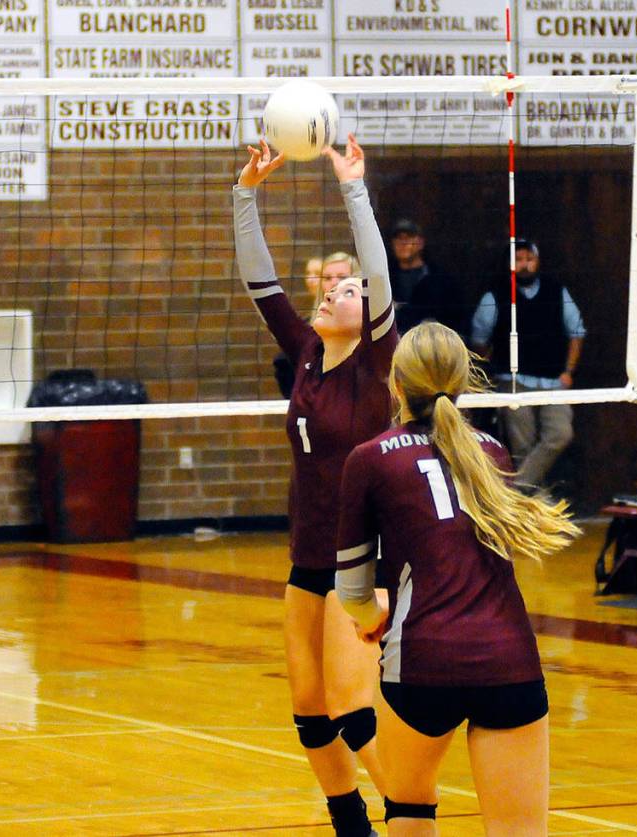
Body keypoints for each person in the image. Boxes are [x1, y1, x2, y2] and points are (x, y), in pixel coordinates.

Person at [335, 322, 581, 836]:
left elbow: (352, 591)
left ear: (395, 385)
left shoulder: (367, 459)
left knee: (410, 808)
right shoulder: (492, 451)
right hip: (508, 661)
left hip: (421, 661)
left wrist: (371, 619)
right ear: (463, 383)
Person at [235, 135, 396, 837]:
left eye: (350, 287)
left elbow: (379, 276)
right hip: (306, 556)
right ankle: (350, 823)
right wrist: (245, 194)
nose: (338, 290)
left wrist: (353, 186)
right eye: (332, 285)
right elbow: (258, 279)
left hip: (361, 558)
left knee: (354, 713)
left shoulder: (377, 358)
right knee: (309, 713)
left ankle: (415, 808)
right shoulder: (304, 351)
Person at [470, 238, 586, 489]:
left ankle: (518, 490)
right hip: (514, 381)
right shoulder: (496, 295)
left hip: (553, 380)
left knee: (560, 434)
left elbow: (577, 331)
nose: (524, 265)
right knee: (522, 445)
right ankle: (536, 502)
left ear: (537, 261)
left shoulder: (556, 290)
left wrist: (568, 371)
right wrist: (491, 367)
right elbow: (479, 338)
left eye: (529, 259)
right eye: (518, 260)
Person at [274, 252, 364, 398]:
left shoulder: (374, 340)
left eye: (342, 277)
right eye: (327, 278)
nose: (334, 282)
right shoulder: (308, 330)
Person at [387, 220, 467, 338]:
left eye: (409, 237)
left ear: (420, 242)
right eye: (398, 238)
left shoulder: (441, 281)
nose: (403, 243)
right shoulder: (384, 280)